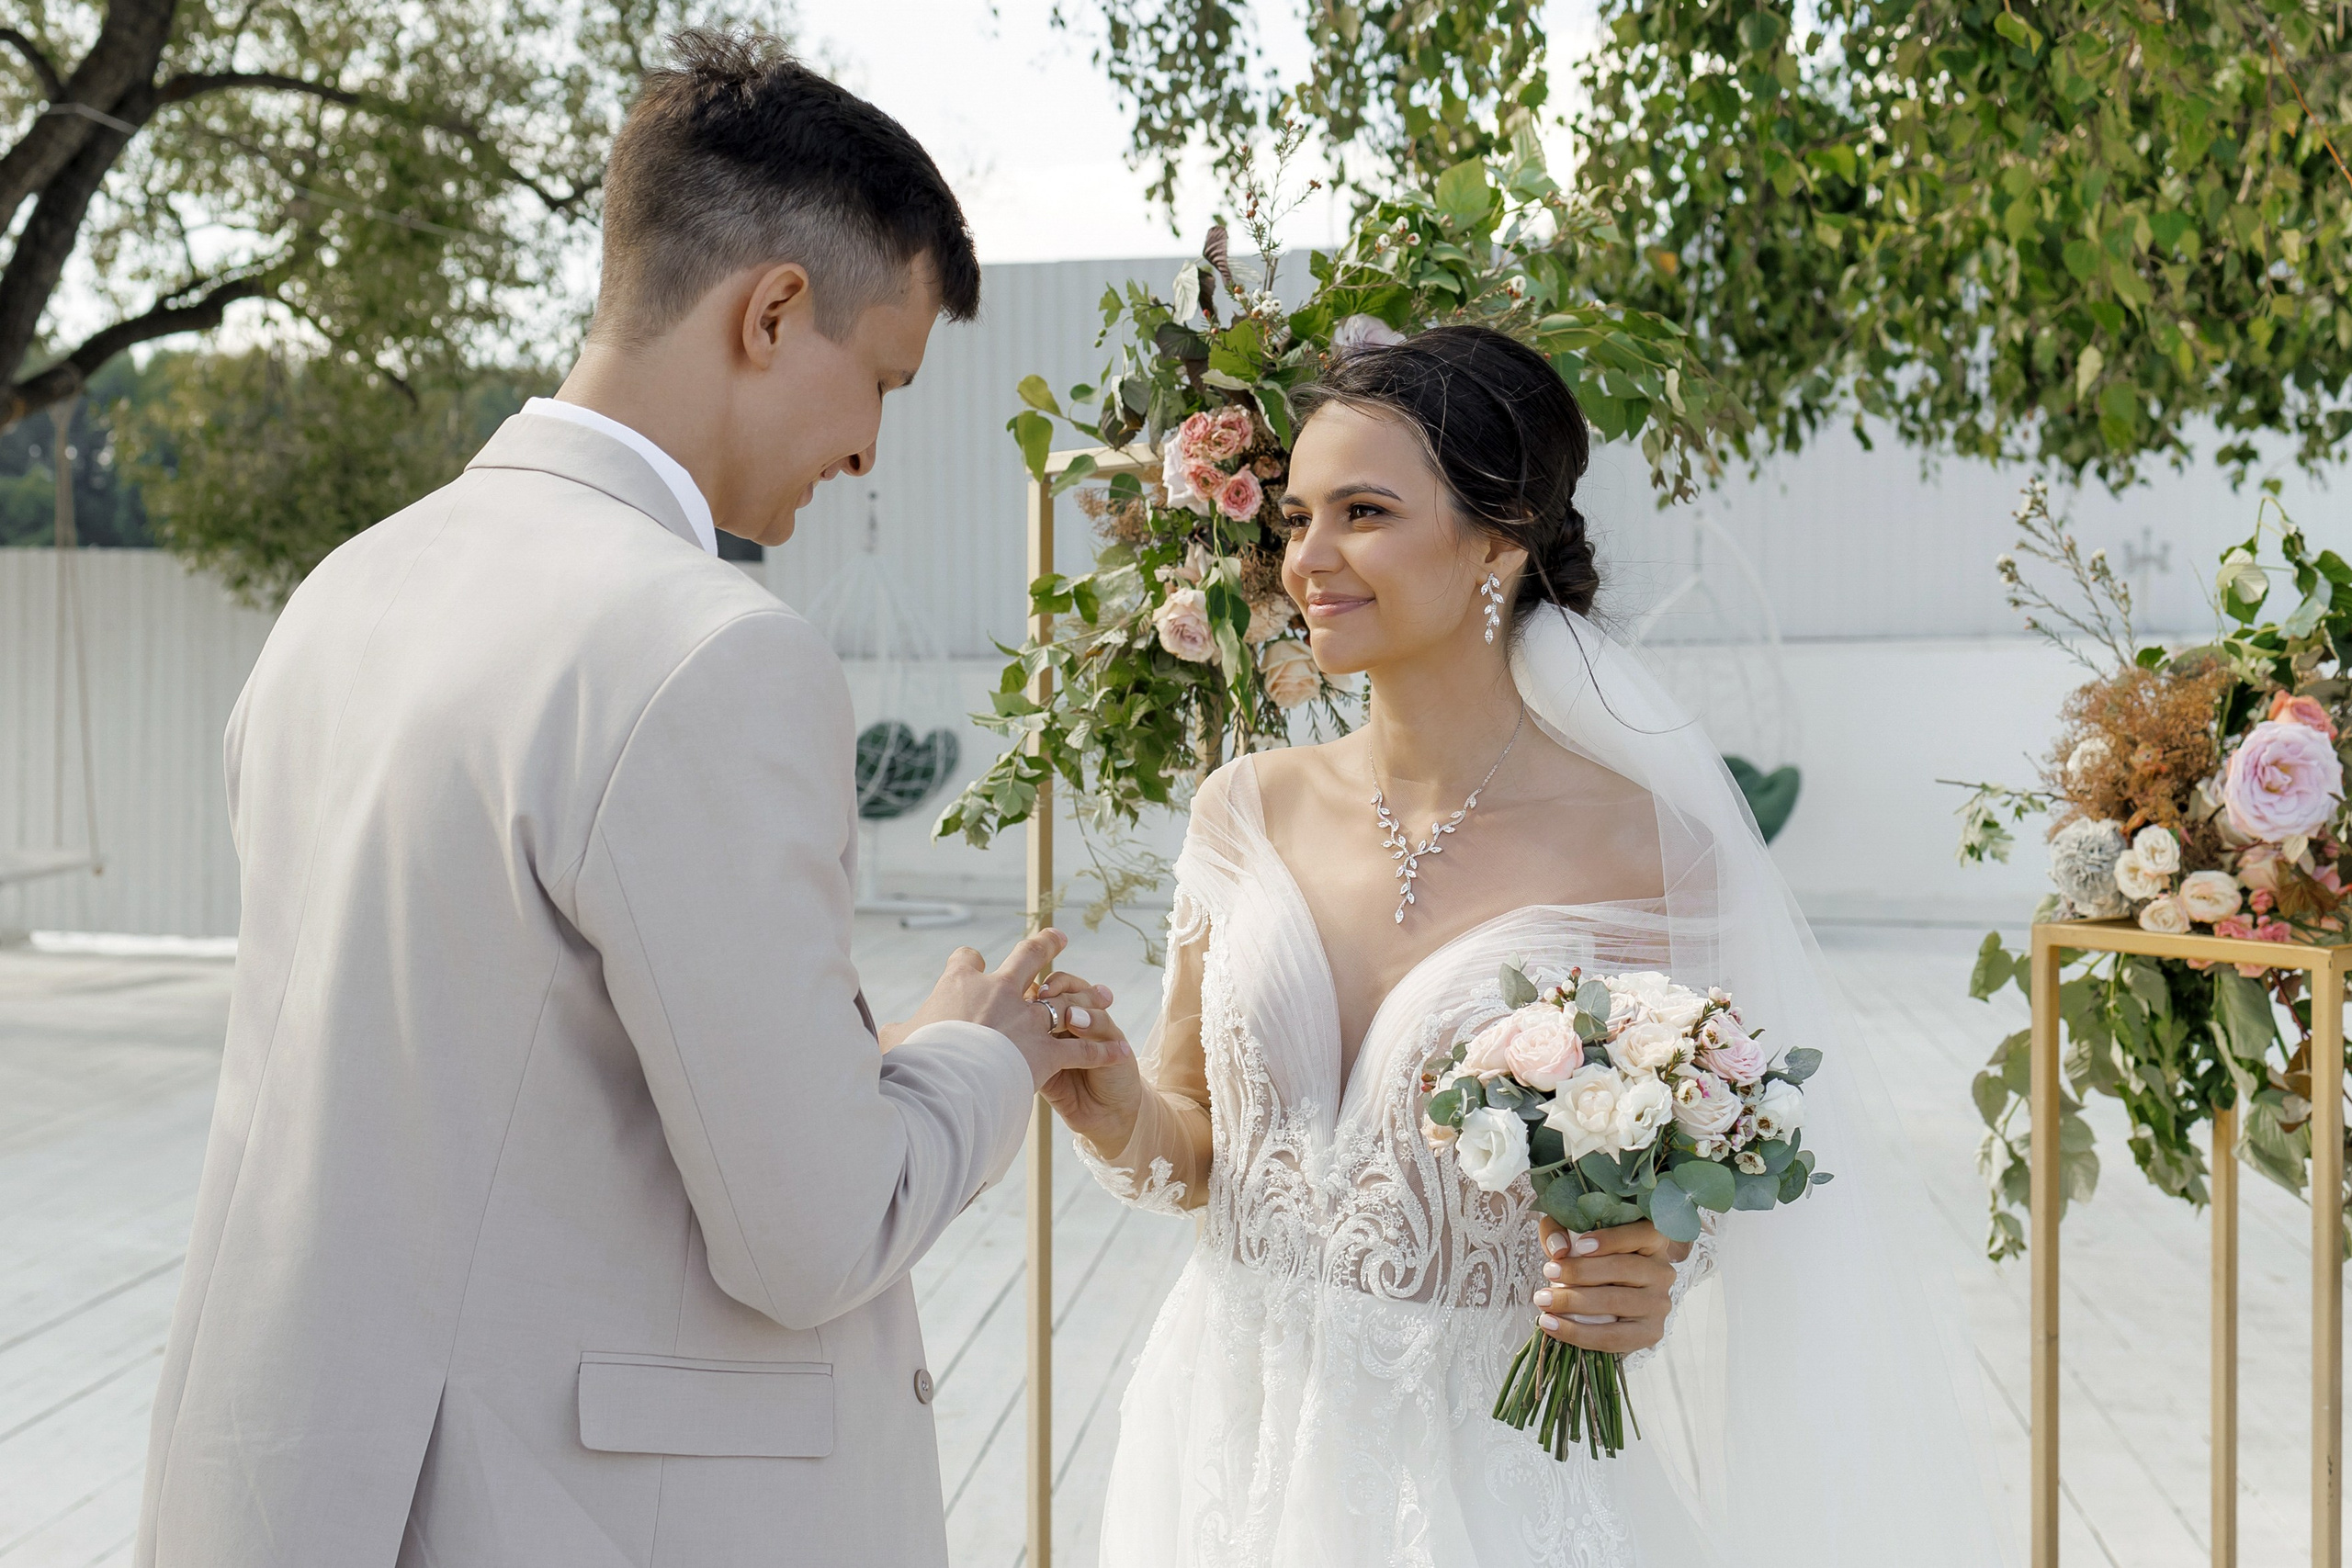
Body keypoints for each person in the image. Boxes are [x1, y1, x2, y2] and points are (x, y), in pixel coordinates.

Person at [135, 30, 1125, 1568]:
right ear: (774, 311)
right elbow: (809, 1234)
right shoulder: (711, 652)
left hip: (307, 1492)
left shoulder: (343, 594)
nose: (870, 449)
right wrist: (963, 1059)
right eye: (881, 380)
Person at [1036, 326, 2005, 1566]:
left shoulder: (1649, 851)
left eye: (1364, 513)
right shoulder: (1244, 812)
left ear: (1502, 535)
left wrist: (1649, 1271)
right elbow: (1194, 1159)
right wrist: (1111, 1102)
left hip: (1494, 1488)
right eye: (1294, 519)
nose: (1308, 559)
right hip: (1228, 1452)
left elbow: (1706, 1191)